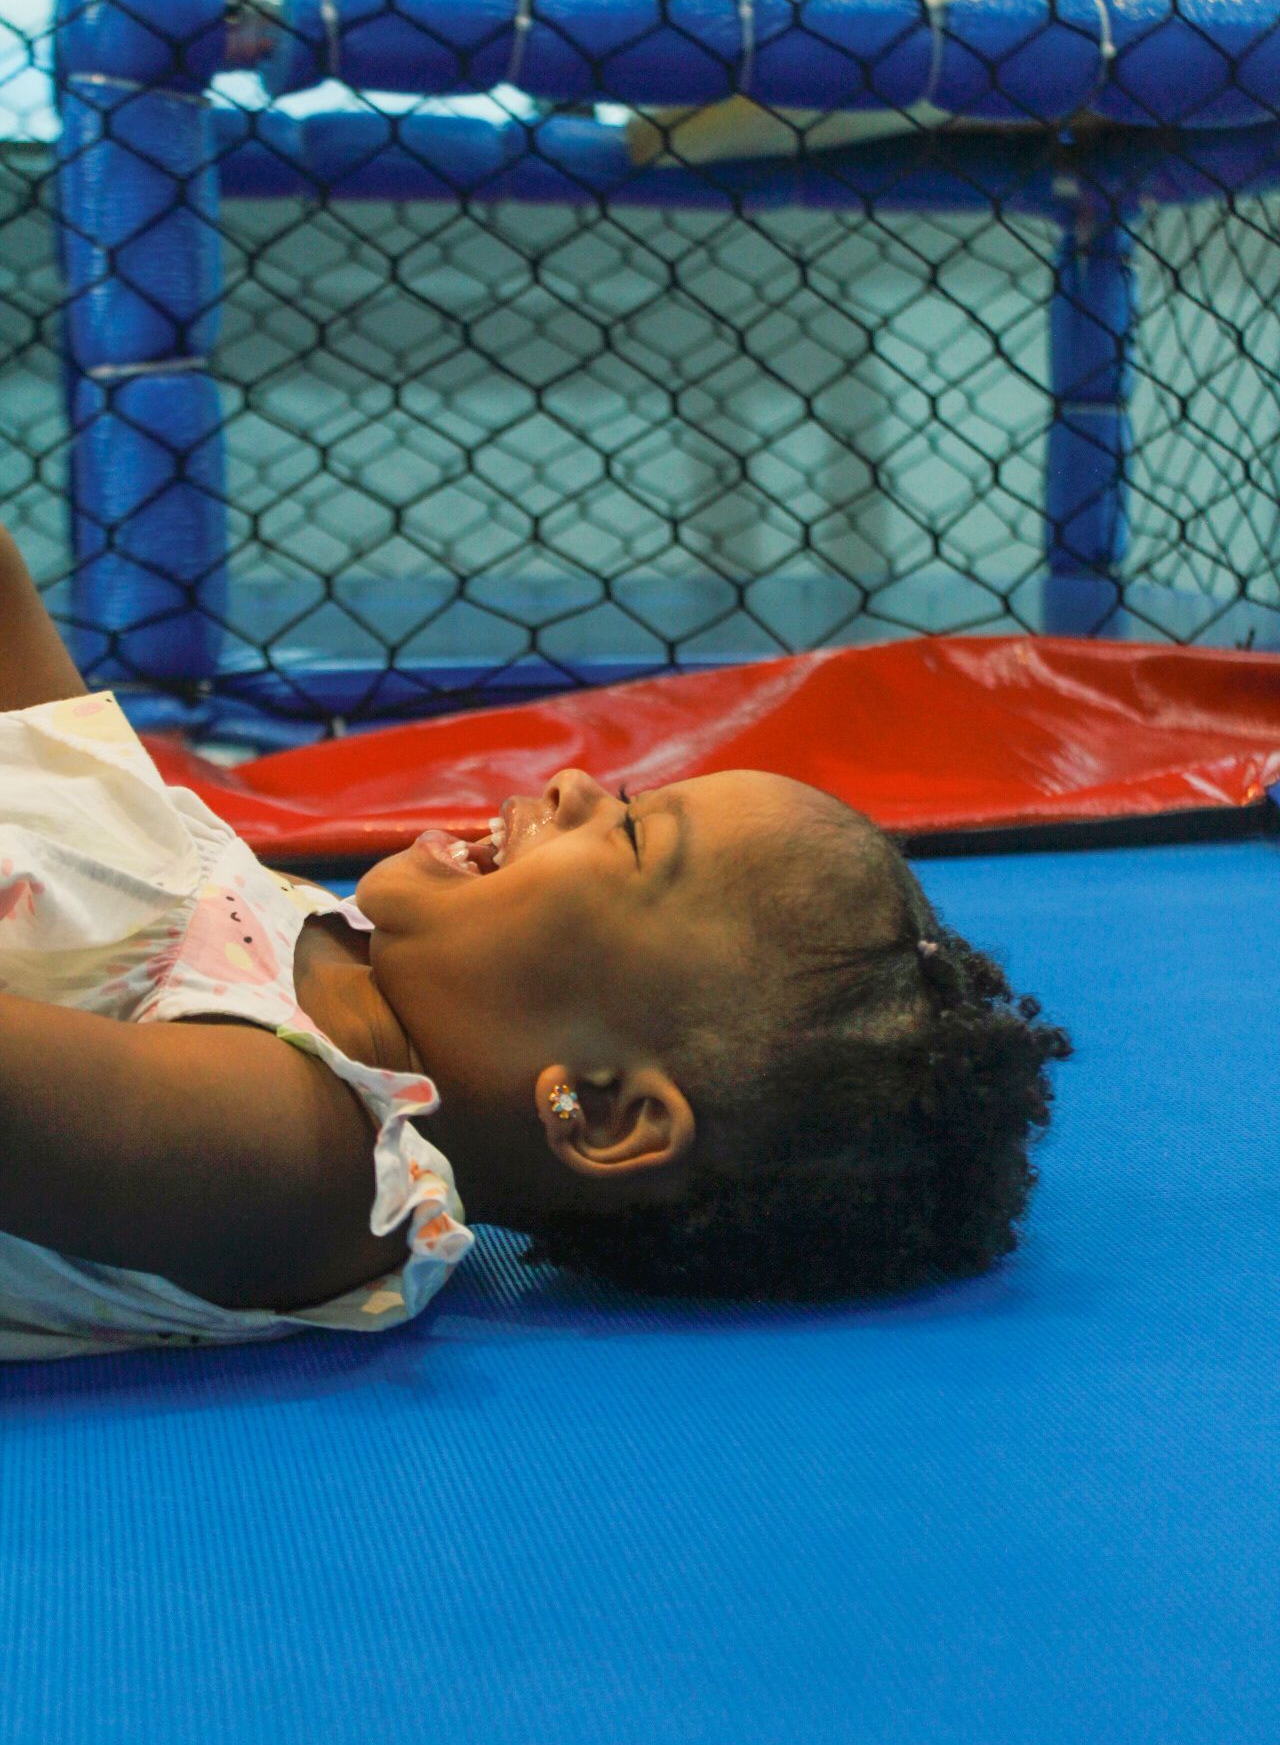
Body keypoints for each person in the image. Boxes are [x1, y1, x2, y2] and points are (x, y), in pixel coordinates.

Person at [0, 524, 1072, 1359]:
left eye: (634, 835)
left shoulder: (308, 1161)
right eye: (626, 793)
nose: (571, 785)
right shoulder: (309, 941)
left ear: (600, 1113)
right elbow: (63, 777)